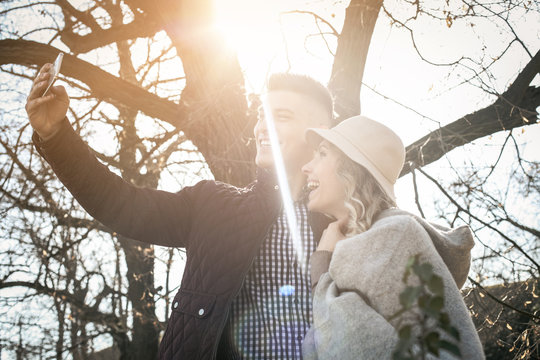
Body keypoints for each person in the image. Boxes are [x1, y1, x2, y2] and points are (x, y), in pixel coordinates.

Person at [25, 64, 334, 359]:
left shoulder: (353, 221)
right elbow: (120, 203)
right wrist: (57, 136)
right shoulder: (212, 204)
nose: (263, 127)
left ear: (319, 133)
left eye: (281, 116)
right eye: (261, 116)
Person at [300, 115, 485, 359]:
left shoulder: (394, 237)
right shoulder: (358, 242)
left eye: (322, 154)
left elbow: (357, 348)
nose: (306, 166)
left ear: (351, 169)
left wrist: (322, 273)